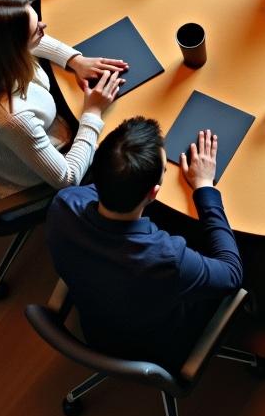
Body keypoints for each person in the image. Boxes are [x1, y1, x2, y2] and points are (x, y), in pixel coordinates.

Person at [46, 121, 243, 367]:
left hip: (99, 325)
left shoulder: (63, 203)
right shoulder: (165, 258)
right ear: (153, 193)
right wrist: (204, 186)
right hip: (158, 345)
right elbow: (232, 274)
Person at [0, 0, 128, 198]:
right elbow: (68, 178)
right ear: (14, 52)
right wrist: (92, 112)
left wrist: (74, 60)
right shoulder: (13, 118)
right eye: (36, 30)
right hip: (30, 177)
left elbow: (30, 43)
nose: (44, 28)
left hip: (12, 140)